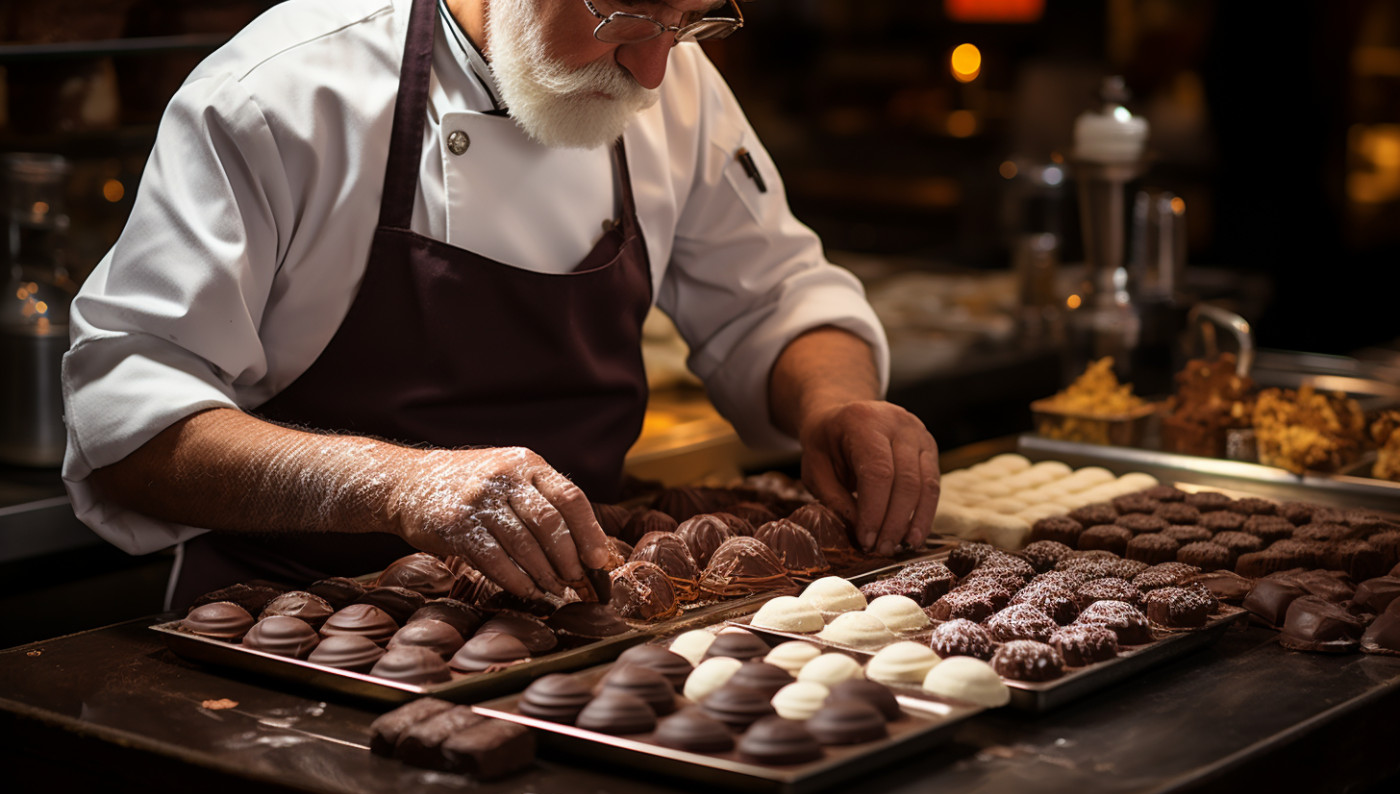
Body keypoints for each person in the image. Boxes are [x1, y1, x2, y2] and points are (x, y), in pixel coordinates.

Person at [62, 0, 940, 610]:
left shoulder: (674, 80)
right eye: (624, 15)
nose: (654, 65)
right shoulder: (281, 95)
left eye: (688, 21)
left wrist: (833, 400)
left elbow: (775, 297)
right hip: (296, 636)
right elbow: (128, 429)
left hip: (586, 617)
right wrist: (398, 484)